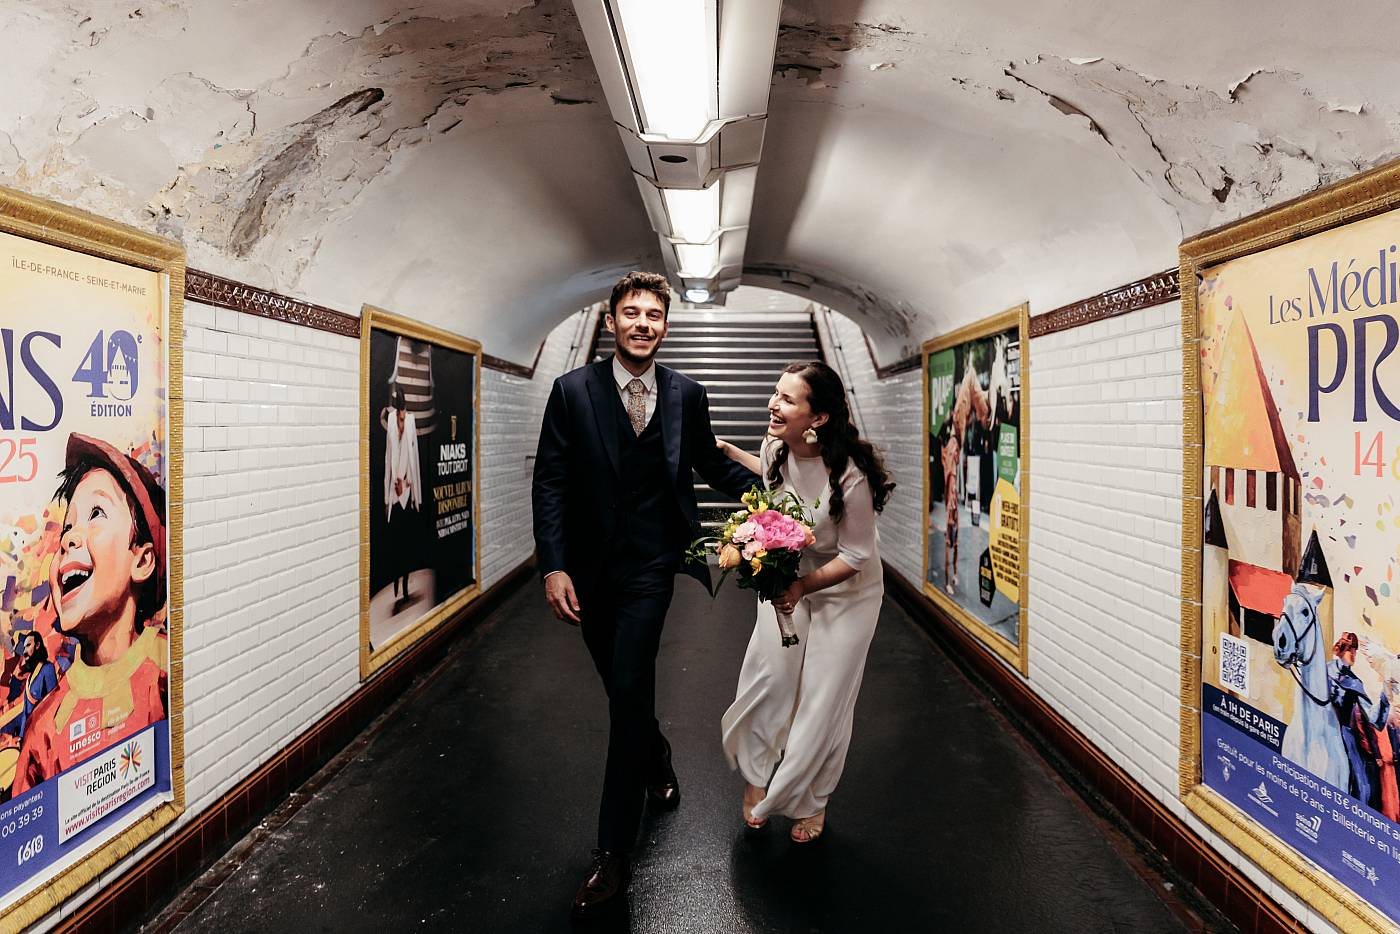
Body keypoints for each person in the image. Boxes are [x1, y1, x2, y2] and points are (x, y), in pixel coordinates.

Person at [532, 271, 759, 920]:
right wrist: (554, 566)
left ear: (665, 325)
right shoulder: (571, 391)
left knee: (629, 687)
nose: (642, 324)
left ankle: (612, 853)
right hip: (588, 570)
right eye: (631, 313)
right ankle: (655, 754)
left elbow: (709, 464)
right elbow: (551, 481)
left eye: (653, 315)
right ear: (611, 322)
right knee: (622, 689)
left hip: (653, 567)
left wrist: (778, 495)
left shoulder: (687, 394)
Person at [717, 361, 895, 843]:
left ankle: (811, 799)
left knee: (822, 697)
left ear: (817, 418)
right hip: (789, 577)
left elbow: (857, 554)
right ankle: (757, 778)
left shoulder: (850, 475)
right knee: (771, 679)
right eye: (776, 393)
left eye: (787, 399)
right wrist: (730, 452)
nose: (773, 405)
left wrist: (801, 588)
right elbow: (776, 479)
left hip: (847, 593)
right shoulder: (775, 445)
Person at [13, 433, 168, 793]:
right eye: (68, 527)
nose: (68, 539)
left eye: (96, 513)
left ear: (142, 561)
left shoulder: (168, 669)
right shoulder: (43, 727)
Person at [384, 384, 421, 611]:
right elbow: (388, 456)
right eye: (400, 412)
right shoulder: (390, 420)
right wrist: (386, 496)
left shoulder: (411, 421)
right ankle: (396, 582)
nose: (402, 415)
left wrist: (411, 488)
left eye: (404, 412)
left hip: (406, 491)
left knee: (407, 544)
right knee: (395, 544)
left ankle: (405, 586)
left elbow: (414, 457)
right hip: (394, 493)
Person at [1, 630, 59, 742]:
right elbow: (25, 714)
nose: (25, 651)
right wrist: (22, 736)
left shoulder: (48, 668)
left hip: (45, 734)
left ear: (37, 645)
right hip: (30, 735)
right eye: (24, 648)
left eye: (28, 646)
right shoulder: (29, 678)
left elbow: (53, 704)